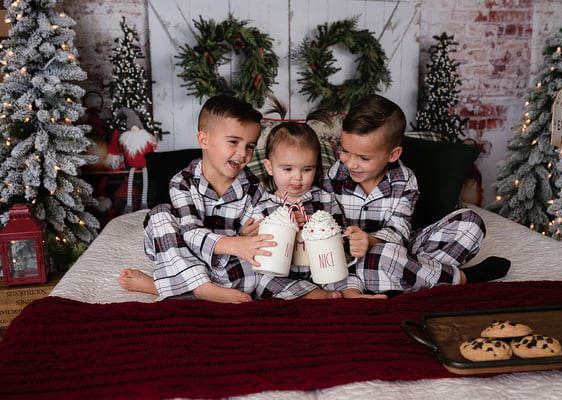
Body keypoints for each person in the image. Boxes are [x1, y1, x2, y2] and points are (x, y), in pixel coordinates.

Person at [324, 94, 510, 295]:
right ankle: (460, 278)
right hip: (350, 258)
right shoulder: (336, 174)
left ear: (393, 155)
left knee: (471, 223)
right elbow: (325, 222)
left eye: (364, 157)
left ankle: (404, 274)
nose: (350, 163)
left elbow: (399, 232)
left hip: (398, 248)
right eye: (345, 151)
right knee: (382, 258)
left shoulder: (404, 180)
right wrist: (350, 241)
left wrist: (370, 241)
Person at [118, 94, 276, 304]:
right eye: (233, 142)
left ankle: (160, 285)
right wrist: (236, 243)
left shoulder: (253, 187)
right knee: (159, 214)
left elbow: (256, 234)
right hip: (185, 257)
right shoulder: (182, 182)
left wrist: (249, 233)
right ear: (204, 140)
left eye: (250, 146)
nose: (243, 153)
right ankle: (201, 287)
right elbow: (190, 233)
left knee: (263, 274)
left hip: (227, 267)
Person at [250, 121, 387, 300]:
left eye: (307, 169)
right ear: (269, 167)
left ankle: (352, 296)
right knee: (264, 281)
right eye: (288, 169)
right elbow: (256, 248)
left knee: (345, 273)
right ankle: (317, 296)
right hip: (285, 274)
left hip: (323, 268)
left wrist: (318, 229)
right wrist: (253, 235)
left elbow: (340, 237)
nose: (297, 177)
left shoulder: (324, 199)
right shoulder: (262, 206)